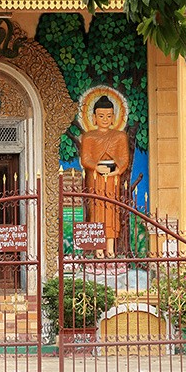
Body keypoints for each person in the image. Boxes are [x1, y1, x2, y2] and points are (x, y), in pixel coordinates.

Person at [79, 95, 130, 256]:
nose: (105, 119)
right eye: (101, 116)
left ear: (114, 117)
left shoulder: (120, 136)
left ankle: (110, 248)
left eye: (108, 116)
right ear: (93, 117)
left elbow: (124, 159)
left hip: (112, 179)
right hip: (95, 178)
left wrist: (117, 170)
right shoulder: (89, 136)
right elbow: (85, 159)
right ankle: (98, 247)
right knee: (96, 210)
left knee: (111, 211)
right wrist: (97, 167)